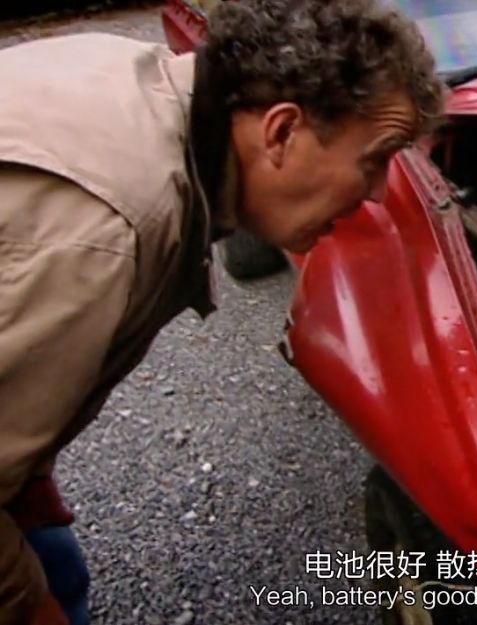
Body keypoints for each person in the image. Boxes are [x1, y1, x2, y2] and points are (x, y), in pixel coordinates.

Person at [0, 1, 445, 622]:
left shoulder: (144, 88)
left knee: (56, 567)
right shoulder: (106, 232)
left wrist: (24, 463)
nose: (377, 193)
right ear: (281, 132)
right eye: (376, 157)